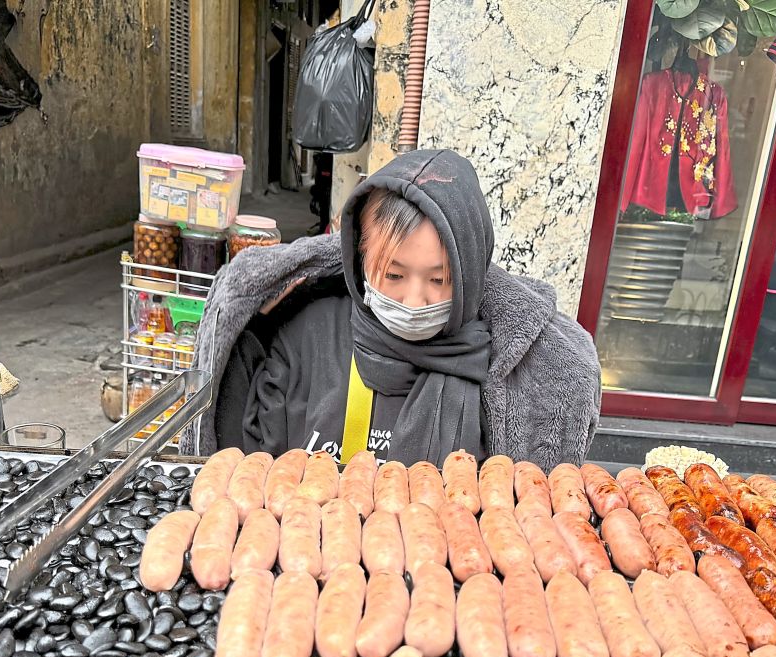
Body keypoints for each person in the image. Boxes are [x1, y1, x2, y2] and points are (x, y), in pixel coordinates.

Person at [184, 149, 601, 470]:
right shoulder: (306, 339)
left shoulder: (502, 375)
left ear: (471, 275)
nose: (414, 302)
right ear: (359, 261)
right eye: (394, 275)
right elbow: (253, 468)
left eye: (439, 280)